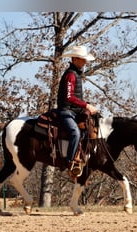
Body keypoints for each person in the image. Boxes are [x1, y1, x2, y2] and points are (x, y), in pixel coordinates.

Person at [57, 45, 98, 177]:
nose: (85, 62)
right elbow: (69, 97)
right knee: (74, 132)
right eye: (82, 59)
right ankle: (70, 162)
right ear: (75, 59)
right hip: (66, 111)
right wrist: (86, 105)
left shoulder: (76, 74)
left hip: (74, 110)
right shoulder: (70, 75)